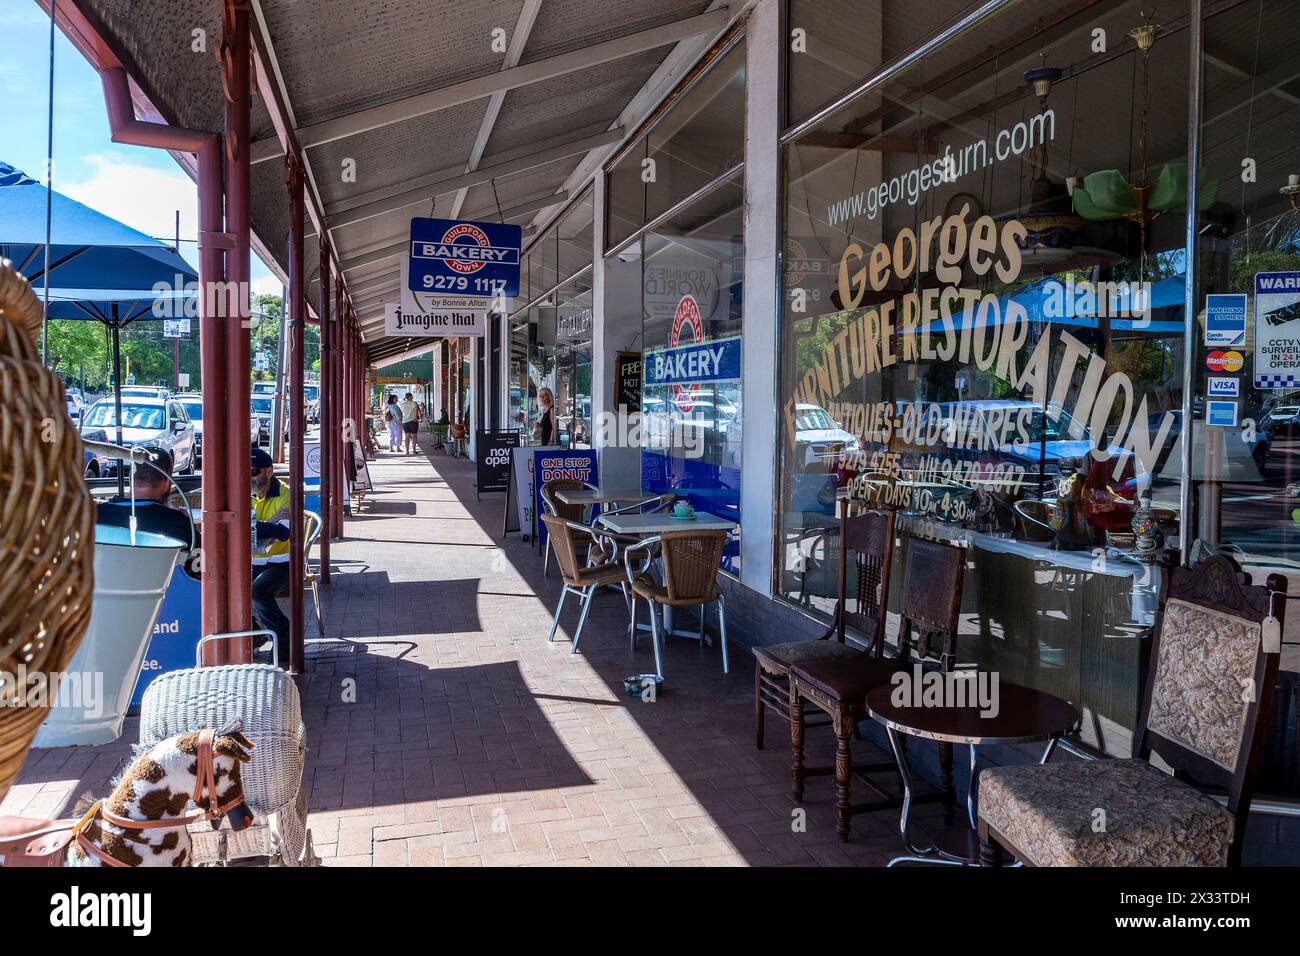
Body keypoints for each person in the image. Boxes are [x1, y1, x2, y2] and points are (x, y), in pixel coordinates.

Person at [96, 445, 199, 576]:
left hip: (99, 593)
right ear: (167, 482)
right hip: (162, 594)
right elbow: (200, 568)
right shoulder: (179, 523)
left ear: (131, 478)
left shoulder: (95, 516)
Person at [250, 446, 293, 666]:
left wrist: (258, 527)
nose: (250, 477)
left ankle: (283, 637)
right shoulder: (244, 492)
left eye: (255, 471)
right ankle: (255, 632)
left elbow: (283, 532)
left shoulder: (285, 494)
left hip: (281, 563)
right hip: (251, 561)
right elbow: (240, 527)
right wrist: (269, 523)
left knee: (257, 592)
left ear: (269, 471)